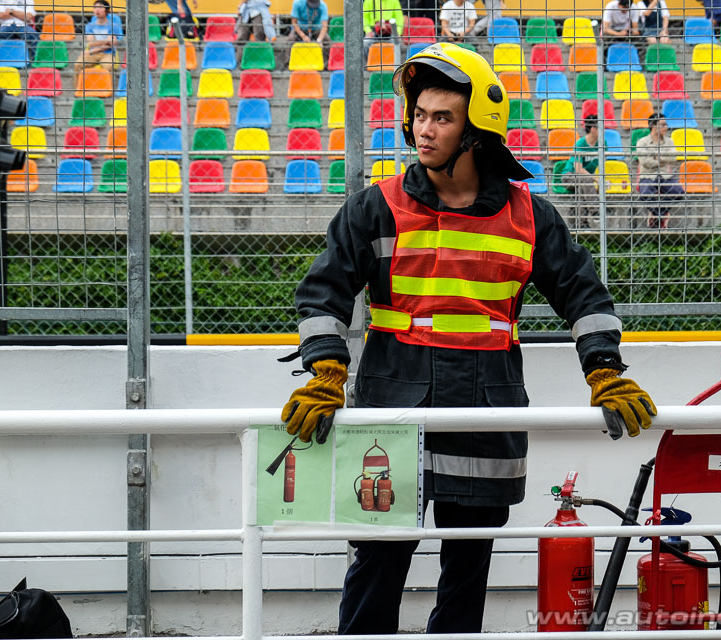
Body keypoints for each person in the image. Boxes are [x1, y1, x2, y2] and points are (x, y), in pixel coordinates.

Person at [280, 42, 656, 635]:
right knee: (376, 562)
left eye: (442, 117)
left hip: (485, 411)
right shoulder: (376, 208)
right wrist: (326, 372)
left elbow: (585, 297)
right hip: (392, 412)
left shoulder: (530, 217)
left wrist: (605, 372)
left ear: (476, 131)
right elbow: (321, 294)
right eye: (419, 115)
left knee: (468, 570)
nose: (423, 130)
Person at [635, 113, 682, 229]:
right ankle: (662, 215)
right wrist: (662, 160)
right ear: (653, 125)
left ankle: (656, 214)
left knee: (678, 192)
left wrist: (655, 157)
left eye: (666, 124)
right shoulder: (642, 142)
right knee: (645, 194)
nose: (666, 127)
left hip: (665, 175)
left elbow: (673, 158)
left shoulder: (669, 141)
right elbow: (645, 161)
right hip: (648, 175)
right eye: (662, 125)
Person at [560, 114, 601, 230]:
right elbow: (578, 169)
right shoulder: (580, 144)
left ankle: (582, 225)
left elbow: (603, 165)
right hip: (569, 176)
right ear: (593, 129)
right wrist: (595, 178)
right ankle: (595, 211)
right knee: (585, 180)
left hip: (585, 180)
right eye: (601, 127)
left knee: (582, 188)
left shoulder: (602, 143)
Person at [75, 0, 123, 72]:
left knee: (108, 66)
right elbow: (91, 43)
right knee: (78, 65)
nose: (97, 10)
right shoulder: (89, 26)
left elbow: (111, 44)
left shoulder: (114, 26)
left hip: (108, 54)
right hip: (92, 54)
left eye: (100, 7)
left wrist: (92, 50)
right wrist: (107, 41)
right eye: (95, 7)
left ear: (107, 10)